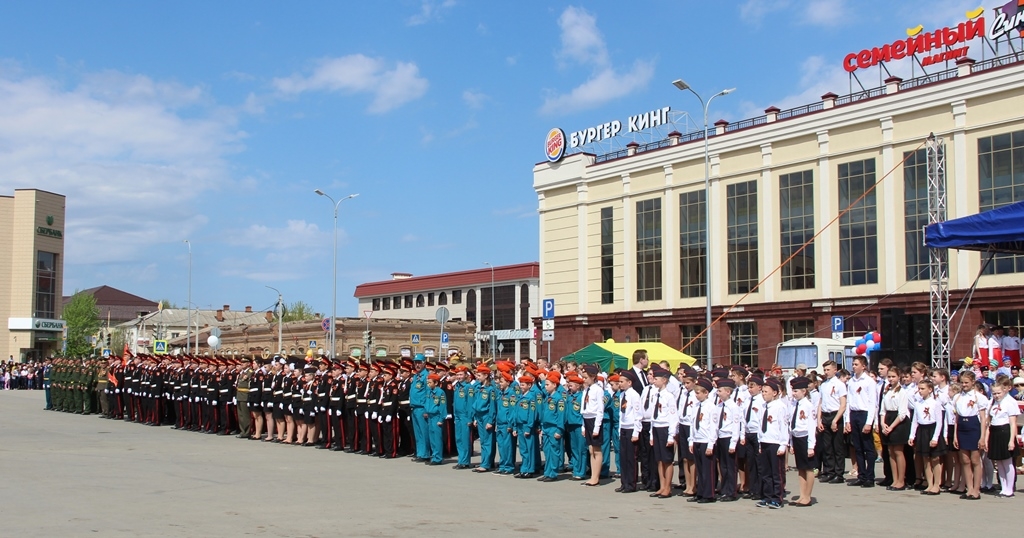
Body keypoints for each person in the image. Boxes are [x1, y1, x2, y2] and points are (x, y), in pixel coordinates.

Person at [982, 376, 1019, 498]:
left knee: (1007, 462)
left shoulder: (1009, 403)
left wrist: (1011, 441)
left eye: (998, 393)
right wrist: (986, 439)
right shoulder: (993, 403)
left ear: (1004, 391)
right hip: (995, 432)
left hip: (1005, 432)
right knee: (999, 462)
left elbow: (1013, 424)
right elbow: (989, 423)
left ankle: (1010, 488)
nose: (996, 395)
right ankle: (1003, 487)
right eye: (994, 393)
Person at [844, 356, 878, 487]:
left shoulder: (869, 381)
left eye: (856, 364)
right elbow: (848, 401)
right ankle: (861, 475)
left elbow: (872, 403)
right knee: (857, 447)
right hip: (854, 414)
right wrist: (847, 420)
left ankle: (870, 476)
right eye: (853, 364)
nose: (853, 366)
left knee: (868, 447)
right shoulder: (851, 381)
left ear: (863, 366)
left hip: (864, 413)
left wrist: (869, 422)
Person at [909, 379, 946, 495]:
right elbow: (915, 421)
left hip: (932, 429)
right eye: (919, 389)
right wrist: (912, 435)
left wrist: (935, 438)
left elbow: (939, 422)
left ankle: (937, 484)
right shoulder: (918, 403)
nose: (920, 391)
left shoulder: (935, 403)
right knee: (925, 459)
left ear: (930, 389)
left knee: (935, 459)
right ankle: (929, 484)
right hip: (922, 430)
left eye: (922, 389)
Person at [757, 378, 790, 509]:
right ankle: (767, 496)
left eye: (766, 392)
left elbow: (784, 426)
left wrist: (783, 445)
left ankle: (777, 498)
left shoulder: (780, 407)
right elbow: (760, 425)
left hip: (775, 443)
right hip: (765, 441)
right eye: (762, 392)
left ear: (775, 393)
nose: (763, 394)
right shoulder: (763, 406)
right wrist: (760, 443)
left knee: (777, 473)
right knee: (766, 472)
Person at [687, 376, 719, 504]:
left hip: (706, 440)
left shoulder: (711, 407)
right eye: (695, 393)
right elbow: (692, 424)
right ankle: (700, 492)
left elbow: (713, 427)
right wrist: (691, 441)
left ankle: (709, 494)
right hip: (697, 439)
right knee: (699, 469)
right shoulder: (696, 406)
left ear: (706, 393)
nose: (696, 395)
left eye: (698, 393)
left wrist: (711, 444)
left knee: (707, 469)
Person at [879, 367, 910, 491]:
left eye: (893, 376)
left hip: (898, 422)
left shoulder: (902, 392)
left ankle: (901, 480)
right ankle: (895, 479)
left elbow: (902, 413)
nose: (891, 379)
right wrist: (883, 423)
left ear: (899, 377)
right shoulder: (887, 391)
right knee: (890, 451)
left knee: (898, 451)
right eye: (889, 377)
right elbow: (882, 410)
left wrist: (891, 427)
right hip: (888, 419)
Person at [649, 368, 678, 498]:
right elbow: (652, 416)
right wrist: (651, 433)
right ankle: (662, 486)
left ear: (664, 380)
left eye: (656, 379)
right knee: (659, 460)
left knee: (667, 460)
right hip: (656, 427)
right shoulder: (655, 394)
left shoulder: (669, 396)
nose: (654, 381)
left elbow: (673, 417)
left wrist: (671, 436)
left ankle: (667, 487)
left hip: (665, 428)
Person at [817, 360, 847, 484]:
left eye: (828, 370)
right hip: (825, 415)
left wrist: (835, 420)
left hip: (836, 415)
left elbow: (843, 404)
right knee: (827, 446)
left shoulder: (839, 384)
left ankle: (839, 474)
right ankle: (829, 471)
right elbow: (820, 403)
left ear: (835, 370)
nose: (826, 372)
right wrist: (819, 419)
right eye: (825, 370)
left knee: (837, 446)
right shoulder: (823, 385)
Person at [789, 376, 817, 506]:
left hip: (805, 438)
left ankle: (808, 496)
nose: (794, 394)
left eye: (796, 391)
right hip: (796, 437)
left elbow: (811, 426)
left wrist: (811, 446)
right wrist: (791, 443)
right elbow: (791, 424)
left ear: (804, 391)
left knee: (808, 468)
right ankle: (802, 494)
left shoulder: (808, 406)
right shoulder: (793, 404)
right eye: (793, 391)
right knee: (800, 468)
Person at [715, 378, 741, 502]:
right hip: (720, 437)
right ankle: (724, 489)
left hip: (729, 438)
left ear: (728, 392)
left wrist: (733, 443)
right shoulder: (719, 406)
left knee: (730, 467)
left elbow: (736, 425)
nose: (718, 393)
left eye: (720, 391)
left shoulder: (733, 407)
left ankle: (731, 492)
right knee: (723, 466)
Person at [615, 373, 642, 493]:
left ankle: (631, 484)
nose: (619, 384)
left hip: (631, 428)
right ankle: (624, 482)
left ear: (629, 382)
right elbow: (621, 414)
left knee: (631, 458)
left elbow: (638, 415)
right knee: (623, 457)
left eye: (622, 382)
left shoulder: (634, 395)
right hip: (624, 428)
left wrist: (636, 432)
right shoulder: (622, 395)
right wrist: (620, 429)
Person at [538, 371, 566, 482]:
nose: (545, 387)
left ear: (554, 385)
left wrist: (559, 430)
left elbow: (561, 416)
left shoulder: (558, 399)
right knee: (547, 451)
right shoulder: (548, 397)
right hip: (546, 427)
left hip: (554, 427)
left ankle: (553, 473)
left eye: (547, 384)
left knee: (554, 451)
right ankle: (547, 472)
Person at [580, 365, 605, 486]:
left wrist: (597, 427)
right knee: (591, 449)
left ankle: (596, 477)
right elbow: (584, 409)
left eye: (586, 377)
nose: (583, 380)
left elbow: (600, 410)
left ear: (593, 377)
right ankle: (592, 476)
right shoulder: (586, 390)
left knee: (596, 449)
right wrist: (583, 426)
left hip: (594, 420)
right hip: (587, 419)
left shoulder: (598, 390)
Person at [513, 374, 539, 479]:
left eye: (523, 385)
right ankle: (524, 469)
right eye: (521, 384)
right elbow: (516, 413)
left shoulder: (531, 398)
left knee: (529, 449)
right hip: (520, 425)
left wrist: (529, 427)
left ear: (529, 385)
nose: (521, 387)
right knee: (523, 450)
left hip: (526, 426)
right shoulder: (520, 397)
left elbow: (532, 414)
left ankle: (530, 469)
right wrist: (515, 427)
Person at [423, 372, 447, 466]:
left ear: (436, 383)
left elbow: (443, 406)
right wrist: (426, 411)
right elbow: (427, 402)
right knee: (432, 438)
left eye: (430, 382)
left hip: (437, 416)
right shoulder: (429, 391)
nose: (428, 384)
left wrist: (441, 419)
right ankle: (434, 456)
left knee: (437, 438)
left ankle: (438, 458)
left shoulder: (440, 392)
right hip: (430, 416)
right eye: (428, 382)